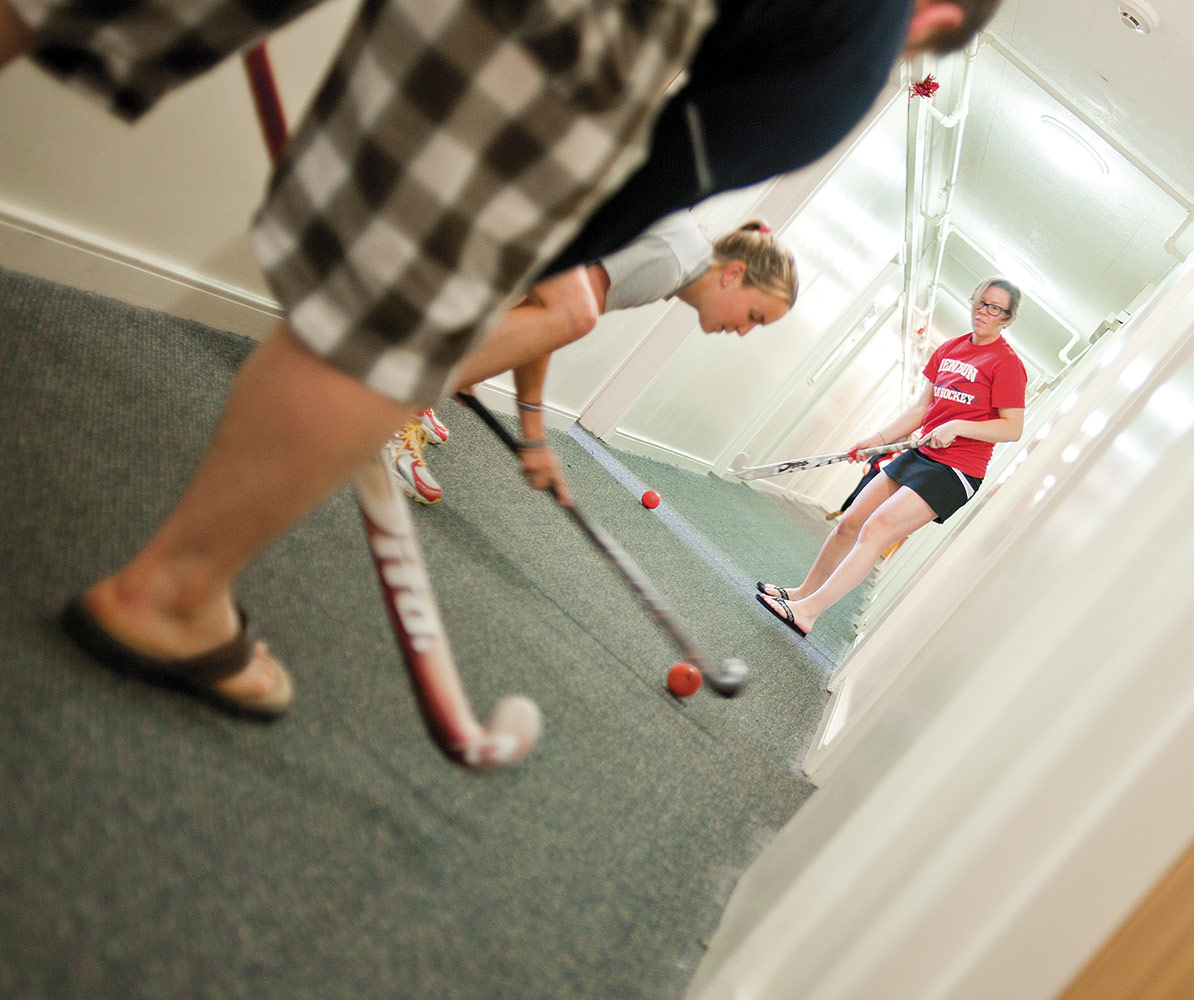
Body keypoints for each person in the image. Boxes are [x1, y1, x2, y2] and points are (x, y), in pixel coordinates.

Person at [5, 0, 1001, 719]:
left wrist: (524, 421)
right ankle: (172, 594)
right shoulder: (823, 79)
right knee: (392, 308)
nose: (737, 332)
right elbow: (558, 291)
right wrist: (425, 351)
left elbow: (558, 296)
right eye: (751, 318)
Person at [387, 213, 798, 505]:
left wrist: (484, 371)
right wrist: (531, 432)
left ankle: (412, 389)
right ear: (733, 275)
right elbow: (559, 314)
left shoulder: (681, 262)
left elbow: (540, 306)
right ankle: (389, 409)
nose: (744, 331)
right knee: (574, 316)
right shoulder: (670, 264)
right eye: (753, 316)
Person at [756, 277, 1026, 638]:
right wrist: (877, 439)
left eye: (996, 308)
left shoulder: (1006, 364)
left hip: (957, 470)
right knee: (848, 523)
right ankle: (803, 593)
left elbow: (1012, 428)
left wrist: (960, 426)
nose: (984, 312)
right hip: (921, 454)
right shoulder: (949, 349)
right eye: (982, 302)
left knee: (876, 529)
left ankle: (808, 612)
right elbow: (920, 409)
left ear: (1007, 318)